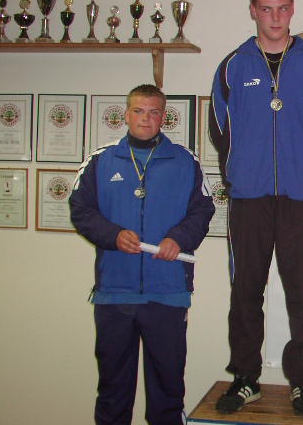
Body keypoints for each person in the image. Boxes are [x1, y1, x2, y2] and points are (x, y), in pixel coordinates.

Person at [208, 0, 303, 415]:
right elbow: (220, 129)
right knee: (246, 289)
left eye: (283, 7)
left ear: (292, 8)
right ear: (253, 10)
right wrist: (243, 169)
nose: (275, 17)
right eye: (266, 9)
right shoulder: (233, 65)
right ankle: (246, 378)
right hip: (249, 197)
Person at [69, 84, 215, 425]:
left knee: (167, 393)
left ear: (163, 117)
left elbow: (203, 210)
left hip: (167, 293)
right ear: (126, 114)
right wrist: (113, 235)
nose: (145, 119)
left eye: (153, 112)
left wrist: (178, 238)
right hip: (114, 294)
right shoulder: (101, 160)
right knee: (113, 393)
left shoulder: (185, 161)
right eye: (138, 111)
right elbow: (81, 210)